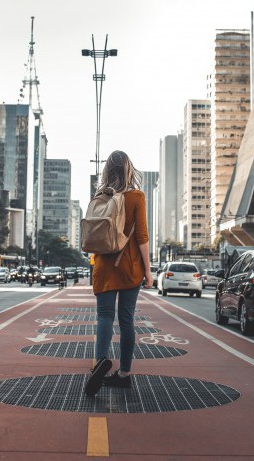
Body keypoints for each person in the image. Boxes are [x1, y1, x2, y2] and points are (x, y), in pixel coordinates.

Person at [84, 151, 154, 397]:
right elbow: (142, 237)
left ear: (107, 171)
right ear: (128, 169)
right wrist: (148, 271)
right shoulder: (137, 197)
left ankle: (100, 361)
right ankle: (124, 374)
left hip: (104, 267)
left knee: (104, 316)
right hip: (129, 268)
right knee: (126, 320)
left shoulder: (100, 197)